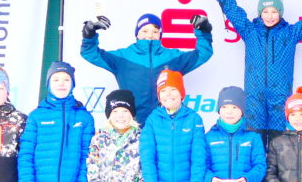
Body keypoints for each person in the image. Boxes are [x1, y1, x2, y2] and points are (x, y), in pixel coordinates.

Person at [204, 0, 302, 146]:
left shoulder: (290, 33)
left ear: (280, 13)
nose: (270, 16)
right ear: (260, 12)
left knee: (278, 145)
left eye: (274, 11)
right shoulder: (250, 31)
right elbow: (233, 11)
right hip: (254, 96)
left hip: (280, 96)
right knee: (254, 143)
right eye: (265, 11)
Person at [80, 12, 213, 125]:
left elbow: (203, 53)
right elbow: (90, 53)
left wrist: (203, 31)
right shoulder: (123, 57)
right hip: (132, 125)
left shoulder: (172, 57)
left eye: (155, 31)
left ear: (160, 34)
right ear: (137, 34)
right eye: (144, 31)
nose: (150, 35)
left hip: (164, 124)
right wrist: (89, 34)